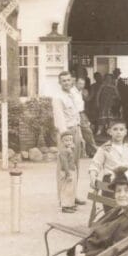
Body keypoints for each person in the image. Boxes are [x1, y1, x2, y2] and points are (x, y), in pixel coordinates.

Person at [51, 71, 85, 208]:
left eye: (68, 80)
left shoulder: (75, 94)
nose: (66, 82)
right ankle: (64, 199)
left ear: (72, 81)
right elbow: (59, 118)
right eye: (63, 81)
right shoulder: (58, 97)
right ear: (59, 83)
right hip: (66, 134)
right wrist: (67, 139)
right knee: (65, 166)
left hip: (76, 130)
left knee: (75, 165)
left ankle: (73, 195)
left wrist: (80, 135)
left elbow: (77, 116)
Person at [88, 120, 128, 189]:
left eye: (121, 130)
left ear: (125, 132)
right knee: (111, 190)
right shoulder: (105, 148)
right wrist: (93, 176)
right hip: (111, 179)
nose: (118, 132)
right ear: (109, 132)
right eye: (115, 129)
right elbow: (95, 165)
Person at [57, 131, 78, 213]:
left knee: (71, 189)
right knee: (66, 189)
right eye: (66, 140)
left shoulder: (70, 149)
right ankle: (65, 206)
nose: (69, 142)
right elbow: (65, 163)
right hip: (67, 171)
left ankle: (70, 204)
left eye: (70, 140)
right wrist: (68, 174)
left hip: (72, 170)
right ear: (62, 142)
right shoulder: (63, 151)